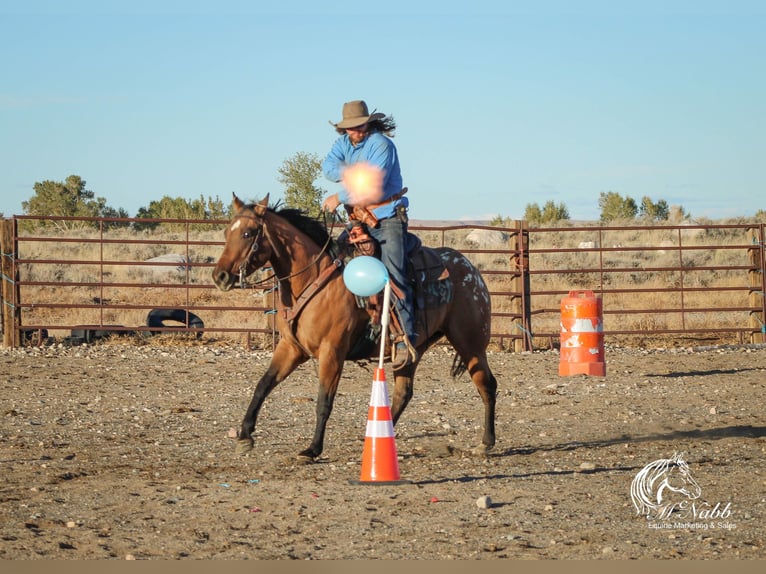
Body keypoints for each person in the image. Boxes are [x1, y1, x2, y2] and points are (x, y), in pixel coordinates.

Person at [322, 100, 417, 369]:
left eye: (360, 125)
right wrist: (353, 173)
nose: (356, 131)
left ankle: (403, 340)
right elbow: (328, 166)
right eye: (350, 127)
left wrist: (340, 195)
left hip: (387, 218)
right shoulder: (344, 145)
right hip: (359, 219)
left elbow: (373, 187)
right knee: (333, 264)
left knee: (394, 275)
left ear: (369, 122)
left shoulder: (381, 145)